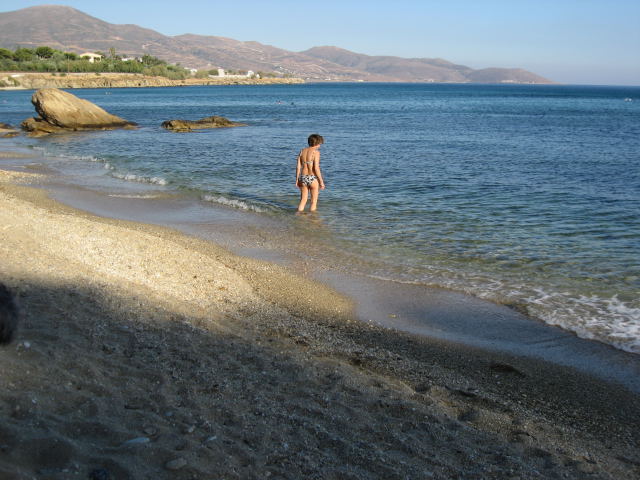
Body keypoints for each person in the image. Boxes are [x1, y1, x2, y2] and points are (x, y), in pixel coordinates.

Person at [295, 134, 325, 212]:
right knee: (313, 202)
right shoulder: (316, 152)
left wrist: (297, 180)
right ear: (317, 143)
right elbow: (316, 168)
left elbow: (298, 167)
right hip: (312, 178)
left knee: (303, 200)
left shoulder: (302, 151)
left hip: (303, 177)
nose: (320, 145)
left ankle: (298, 215)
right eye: (320, 143)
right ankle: (312, 218)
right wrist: (321, 182)